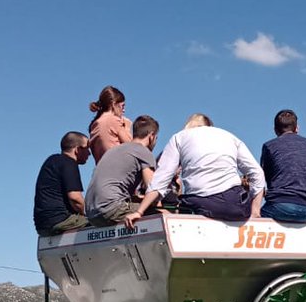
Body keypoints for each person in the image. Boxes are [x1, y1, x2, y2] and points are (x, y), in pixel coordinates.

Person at [125, 116, 265, 225]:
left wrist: (139, 211)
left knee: (182, 206)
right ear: (209, 126)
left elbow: (160, 180)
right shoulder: (229, 136)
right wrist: (255, 211)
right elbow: (257, 173)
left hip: (202, 204)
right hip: (236, 206)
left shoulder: (179, 138)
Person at [258, 109, 306, 223]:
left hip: (277, 206)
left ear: (275, 130)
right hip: (305, 210)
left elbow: (260, 179)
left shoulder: (269, 146)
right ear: (297, 128)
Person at [85, 115, 159, 226]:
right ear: (152, 136)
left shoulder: (114, 150)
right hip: (111, 209)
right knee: (162, 214)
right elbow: (153, 190)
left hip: (91, 212)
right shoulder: (144, 152)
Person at [33, 131, 91, 236]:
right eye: (87, 148)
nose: (89, 153)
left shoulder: (52, 161)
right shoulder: (69, 163)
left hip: (42, 225)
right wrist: (92, 214)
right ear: (77, 149)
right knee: (102, 222)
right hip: (60, 220)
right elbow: (75, 199)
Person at [88, 85, 132, 162]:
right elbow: (132, 146)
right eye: (122, 106)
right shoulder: (113, 120)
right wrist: (128, 126)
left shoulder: (95, 124)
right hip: (118, 168)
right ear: (113, 104)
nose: (124, 110)